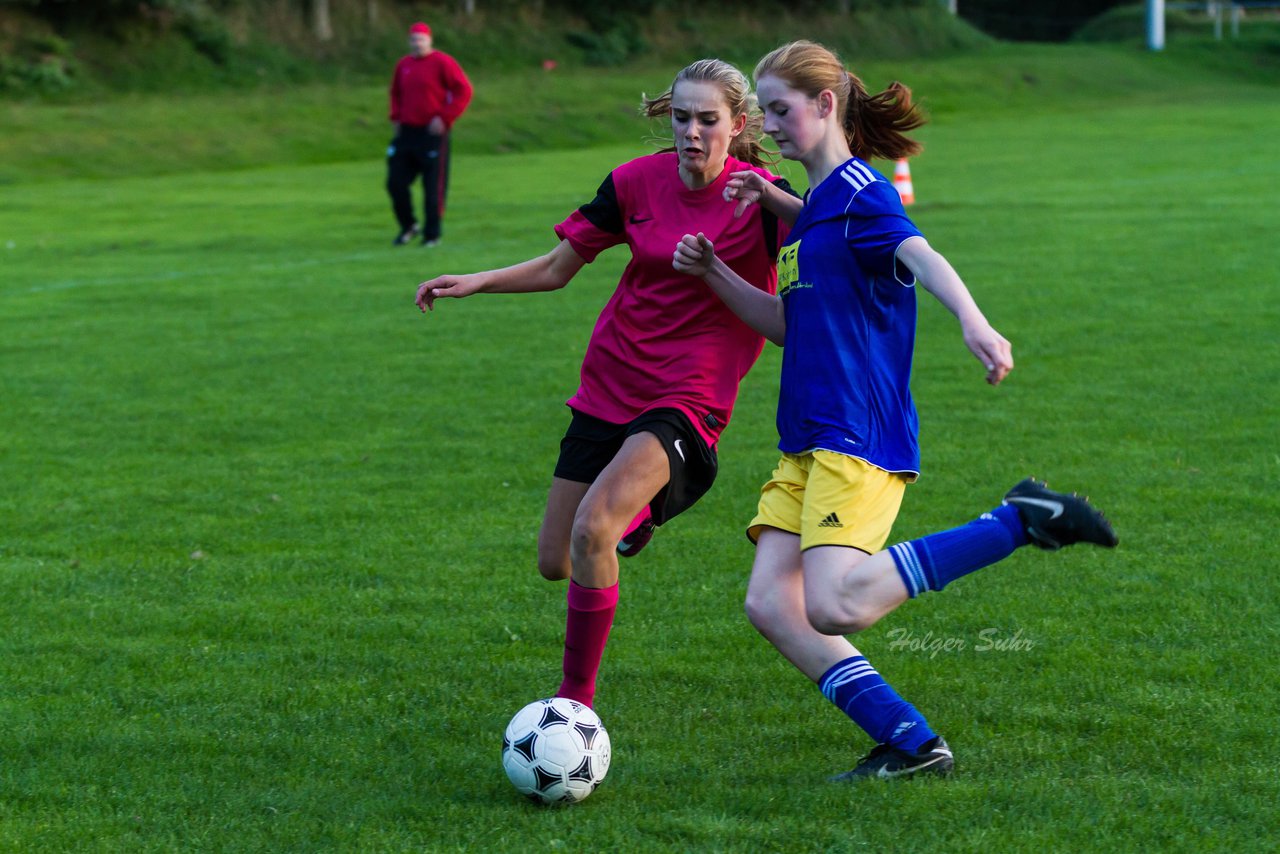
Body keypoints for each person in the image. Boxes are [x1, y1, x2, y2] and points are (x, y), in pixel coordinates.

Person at [672, 40, 1118, 780]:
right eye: (764, 110)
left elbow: (921, 254)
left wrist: (974, 321)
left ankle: (1020, 520)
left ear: (825, 105)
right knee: (773, 606)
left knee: (836, 606)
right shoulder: (816, 207)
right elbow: (792, 325)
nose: (769, 126)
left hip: (857, 430)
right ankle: (911, 743)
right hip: (807, 437)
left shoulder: (859, 190)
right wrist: (717, 270)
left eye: (780, 110)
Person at [414, 60, 800, 710]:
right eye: (682, 118)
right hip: (611, 379)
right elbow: (560, 267)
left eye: (709, 120)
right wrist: (477, 280)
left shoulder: (763, 197)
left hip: (688, 395)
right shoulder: (633, 183)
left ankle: (575, 706)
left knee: (595, 530)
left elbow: (837, 238)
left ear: (737, 125)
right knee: (556, 560)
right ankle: (640, 517)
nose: (693, 134)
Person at [387, 21, 473, 247]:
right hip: (407, 132)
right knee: (395, 182)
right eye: (413, 39)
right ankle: (409, 226)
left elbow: (463, 90)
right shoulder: (403, 65)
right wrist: (395, 117)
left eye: (421, 39)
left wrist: (445, 117)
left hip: (432, 133)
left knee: (432, 187)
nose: (417, 43)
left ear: (429, 40)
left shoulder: (442, 62)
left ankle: (432, 234)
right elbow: (395, 93)